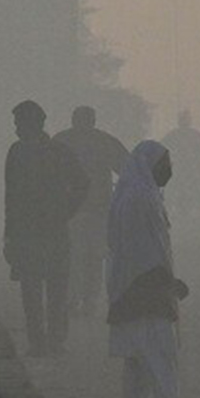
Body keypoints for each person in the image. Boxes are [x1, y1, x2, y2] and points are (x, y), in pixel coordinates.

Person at [107, 141, 200, 398]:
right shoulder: (142, 199)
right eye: (165, 165)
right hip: (145, 290)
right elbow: (147, 251)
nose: (169, 171)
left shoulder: (131, 195)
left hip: (130, 289)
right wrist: (168, 283)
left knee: (138, 363)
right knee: (162, 359)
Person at [4, 101, 88, 356]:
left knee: (43, 289)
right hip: (43, 231)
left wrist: (65, 211)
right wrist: (66, 211)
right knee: (47, 289)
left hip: (37, 232)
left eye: (20, 124)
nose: (17, 129)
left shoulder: (31, 152)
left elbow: (82, 183)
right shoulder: (48, 151)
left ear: (34, 124)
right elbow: (11, 196)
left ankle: (45, 342)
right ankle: (49, 342)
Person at [54, 106, 129, 317]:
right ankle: (90, 300)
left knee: (73, 256)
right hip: (98, 209)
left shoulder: (61, 141)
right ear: (94, 120)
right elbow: (127, 168)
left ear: (73, 119)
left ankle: (72, 299)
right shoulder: (105, 141)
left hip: (70, 211)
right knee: (94, 257)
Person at [161, 109, 200, 218]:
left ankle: (193, 209)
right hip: (183, 168)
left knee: (191, 187)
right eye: (183, 119)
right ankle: (184, 209)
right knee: (182, 188)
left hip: (189, 167)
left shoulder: (190, 134)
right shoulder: (180, 134)